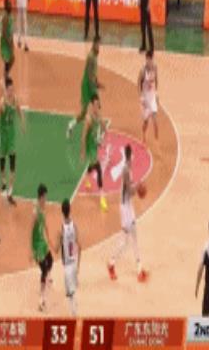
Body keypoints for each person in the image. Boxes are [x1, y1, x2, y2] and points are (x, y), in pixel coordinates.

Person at [107, 144, 148, 282]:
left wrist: (137, 186)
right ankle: (111, 263)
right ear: (130, 156)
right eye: (132, 156)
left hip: (129, 206)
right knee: (125, 242)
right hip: (125, 208)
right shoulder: (125, 170)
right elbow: (129, 191)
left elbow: (131, 189)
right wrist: (138, 187)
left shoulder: (129, 168)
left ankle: (139, 269)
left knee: (134, 237)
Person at [0, 77, 25, 205]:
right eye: (9, 89)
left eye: (12, 89)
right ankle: (4, 182)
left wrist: (22, 123)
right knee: (2, 159)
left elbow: (20, 111)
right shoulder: (2, 102)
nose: (11, 91)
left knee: (13, 160)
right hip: (3, 135)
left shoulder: (15, 100)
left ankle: (10, 190)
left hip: (11, 136)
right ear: (6, 89)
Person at [66, 38, 103, 137]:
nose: (99, 47)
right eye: (98, 45)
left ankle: (98, 133)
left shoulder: (95, 56)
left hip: (91, 85)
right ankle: (71, 125)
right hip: (87, 86)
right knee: (84, 113)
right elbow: (90, 74)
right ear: (94, 44)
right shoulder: (91, 57)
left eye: (99, 45)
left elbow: (94, 73)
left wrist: (96, 82)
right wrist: (96, 85)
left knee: (97, 108)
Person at [80, 94, 108, 212]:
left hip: (94, 146)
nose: (97, 106)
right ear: (91, 105)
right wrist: (82, 151)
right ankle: (102, 197)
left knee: (92, 166)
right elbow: (83, 136)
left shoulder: (98, 116)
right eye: (95, 104)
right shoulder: (88, 119)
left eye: (98, 104)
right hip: (89, 148)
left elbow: (104, 127)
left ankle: (86, 179)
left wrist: (101, 137)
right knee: (98, 168)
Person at [55, 199, 82, 316]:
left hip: (67, 265)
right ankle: (74, 309)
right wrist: (78, 265)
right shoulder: (74, 225)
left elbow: (56, 250)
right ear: (70, 210)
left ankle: (74, 314)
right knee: (72, 290)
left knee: (70, 293)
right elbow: (80, 246)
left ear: (62, 211)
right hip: (74, 261)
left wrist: (53, 239)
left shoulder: (62, 229)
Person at [31, 184, 53, 312]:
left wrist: (49, 239)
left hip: (42, 242)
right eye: (45, 197)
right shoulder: (35, 212)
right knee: (44, 270)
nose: (46, 199)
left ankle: (47, 279)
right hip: (36, 245)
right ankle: (41, 300)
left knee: (50, 260)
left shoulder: (42, 210)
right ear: (41, 197)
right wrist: (30, 250)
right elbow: (29, 230)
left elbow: (45, 225)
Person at [138, 51, 159, 142]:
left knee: (155, 119)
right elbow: (138, 83)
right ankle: (143, 135)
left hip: (152, 96)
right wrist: (141, 96)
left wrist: (156, 92)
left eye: (150, 59)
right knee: (146, 121)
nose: (149, 61)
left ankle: (157, 141)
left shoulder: (155, 68)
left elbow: (156, 79)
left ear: (152, 59)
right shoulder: (142, 70)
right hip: (145, 98)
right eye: (147, 59)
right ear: (146, 59)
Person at [0, 0, 15, 83]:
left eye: (11, 3)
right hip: (5, 41)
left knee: (11, 59)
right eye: (9, 4)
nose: (11, 5)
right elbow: (4, 31)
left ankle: (6, 76)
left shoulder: (10, 16)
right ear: (6, 5)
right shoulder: (5, 17)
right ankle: (5, 78)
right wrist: (8, 42)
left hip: (9, 39)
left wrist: (12, 40)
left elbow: (11, 30)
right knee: (9, 59)